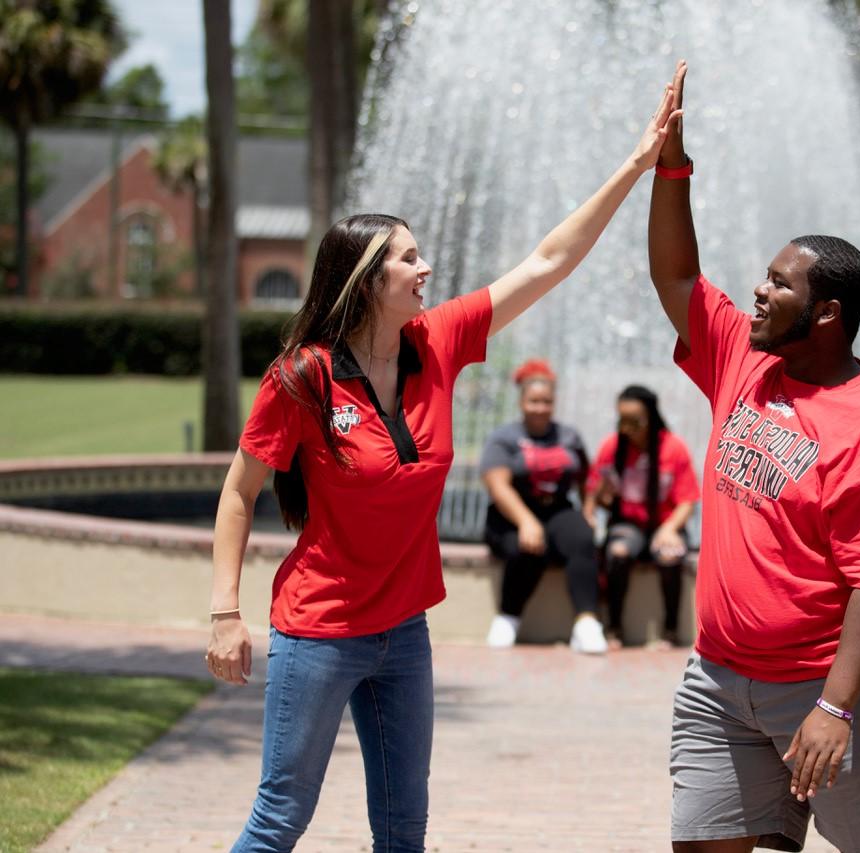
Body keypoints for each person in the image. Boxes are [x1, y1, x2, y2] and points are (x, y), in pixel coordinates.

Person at [203, 77, 682, 851]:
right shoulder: (302, 376)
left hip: (404, 629)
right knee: (279, 819)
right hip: (319, 628)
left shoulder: (440, 340)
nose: (426, 271)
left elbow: (549, 259)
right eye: (408, 260)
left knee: (404, 830)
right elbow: (237, 494)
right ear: (366, 281)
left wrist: (635, 164)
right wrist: (225, 613)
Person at [649, 62, 860, 852]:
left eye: (778, 285)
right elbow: (676, 273)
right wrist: (670, 165)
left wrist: (836, 707)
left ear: (825, 313)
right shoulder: (743, 359)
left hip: (857, 686)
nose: (757, 292)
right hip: (722, 677)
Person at [479, 359, 606, 654]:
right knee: (528, 546)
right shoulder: (504, 437)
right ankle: (508, 616)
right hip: (510, 514)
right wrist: (526, 521)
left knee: (582, 538)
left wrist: (588, 511)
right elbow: (498, 485)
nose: (540, 407)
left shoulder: (568, 436)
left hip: (557, 509)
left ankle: (587, 622)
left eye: (546, 401)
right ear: (522, 401)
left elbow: (587, 479)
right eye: (534, 401)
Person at [582, 384, 698, 647]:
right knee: (618, 552)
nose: (627, 427)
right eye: (622, 420)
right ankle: (613, 627)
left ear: (651, 416)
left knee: (670, 556)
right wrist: (597, 502)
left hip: (666, 522)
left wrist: (669, 529)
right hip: (628, 524)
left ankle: (669, 629)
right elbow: (592, 497)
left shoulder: (673, 447)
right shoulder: (612, 447)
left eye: (635, 420)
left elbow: (688, 501)